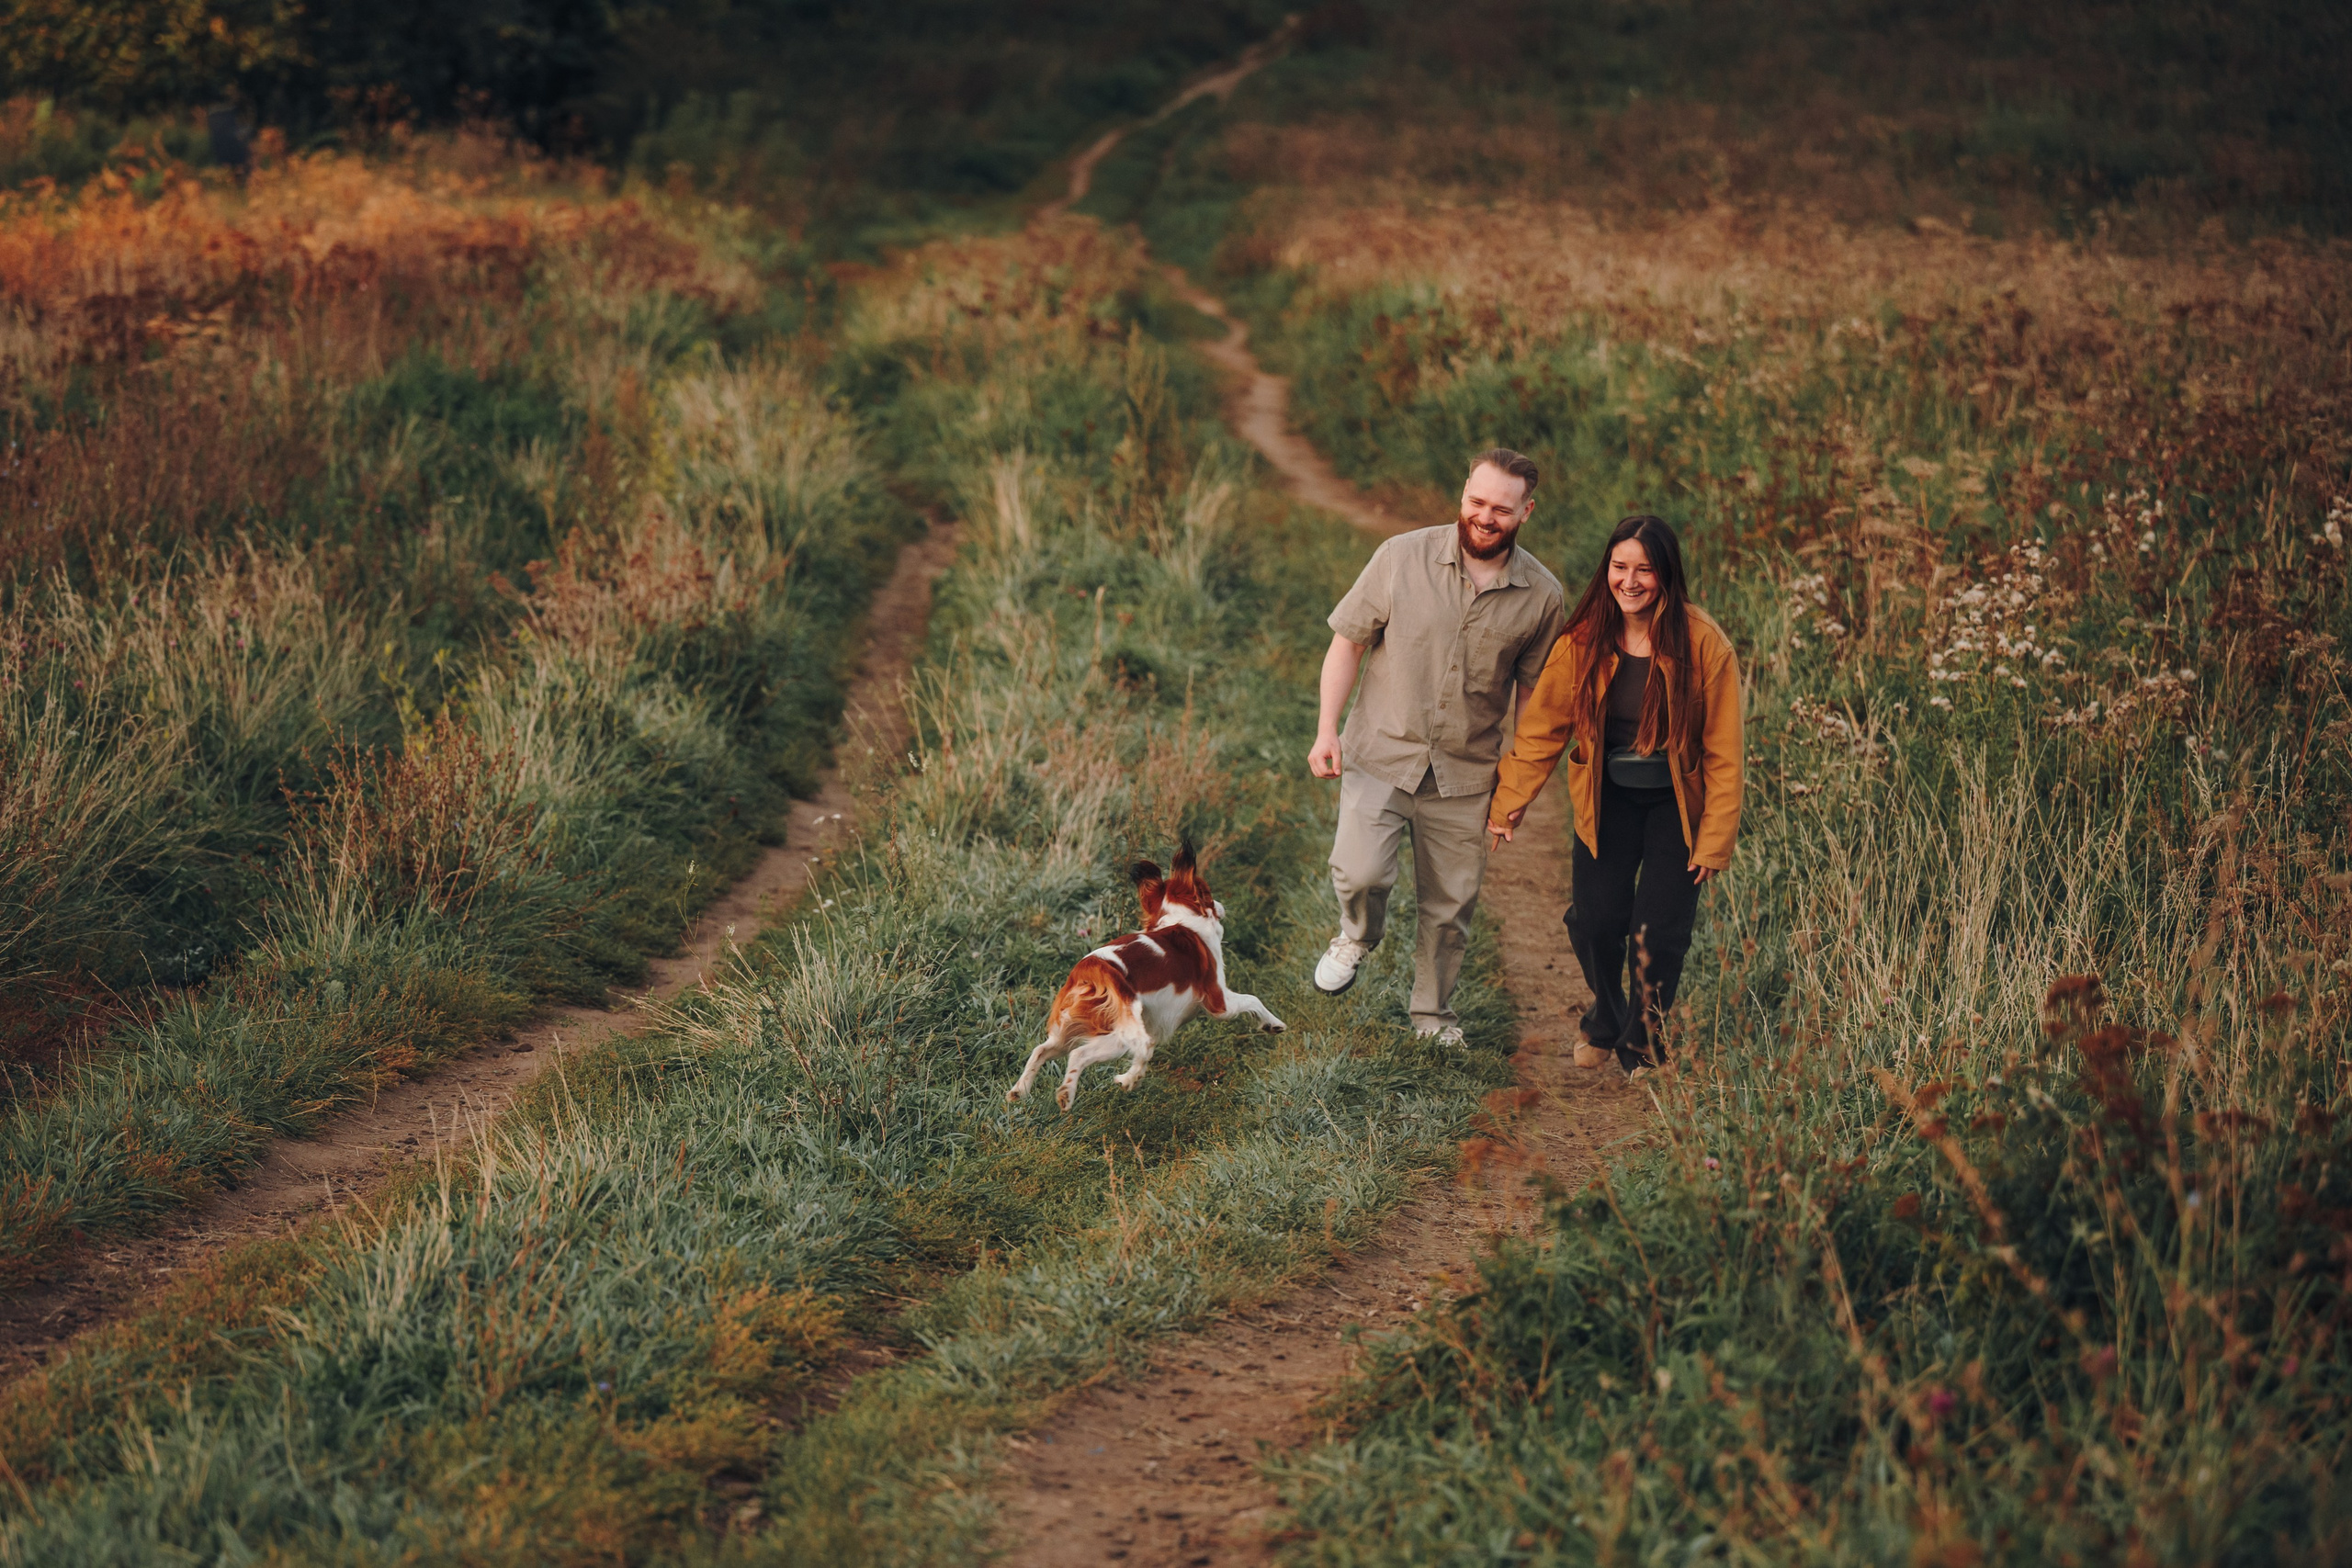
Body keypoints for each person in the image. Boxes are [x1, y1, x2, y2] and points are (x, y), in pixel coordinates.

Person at [1308, 448, 1566, 1045]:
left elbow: (1533, 695)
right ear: (1463, 495)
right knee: (1360, 872)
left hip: (1465, 774)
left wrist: (1518, 784)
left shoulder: (1543, 597)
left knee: (1451, 905)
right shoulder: (1399, 557)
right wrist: (1327, 728)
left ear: (1526, 511)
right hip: (1380, 752)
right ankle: (1356, 936)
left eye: (1501, 509)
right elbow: (1347, 643)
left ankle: (1432, 1015)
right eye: (1476, 502)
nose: (1484, 516)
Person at [1487, 514, 1742, 1075]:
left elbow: (1724, 752)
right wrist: (1511, 801)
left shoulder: (1704, 644)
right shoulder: (1583, 640)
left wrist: (1714, 839)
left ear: (1666, 575)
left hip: (1677, 805)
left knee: (1659, 930)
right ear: (1607, 570)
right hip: (1608, 799)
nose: (1629, 581)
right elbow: (1542, 730)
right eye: (1619, 567)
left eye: (1644, 569)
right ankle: (1607, 1014)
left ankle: (1642, 1045)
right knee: (1597, 921)